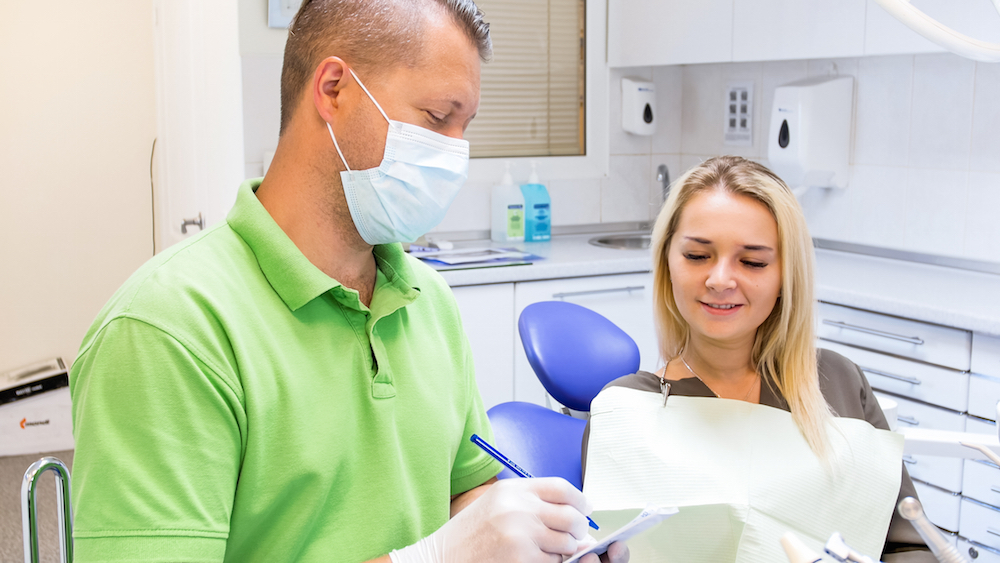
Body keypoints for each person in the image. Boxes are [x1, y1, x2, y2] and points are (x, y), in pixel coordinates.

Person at [68, 1, 628, 562]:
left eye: (465, 126)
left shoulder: (425, 301)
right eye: (437, 118)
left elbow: (462, 493)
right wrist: (429, 559)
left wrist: (545, 541)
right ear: (334, 88)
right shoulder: (168, 330)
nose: (457, 154)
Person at [582, 155, 933, 562]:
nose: (720, 280)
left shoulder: (836, 382)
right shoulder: (626, 409)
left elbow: (910, 544)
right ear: (667, 265)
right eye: (697, 256)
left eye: (752, 262)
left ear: (787, 275)